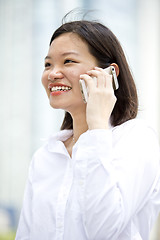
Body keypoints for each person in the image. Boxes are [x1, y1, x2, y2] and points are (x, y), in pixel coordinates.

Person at [15, 17, 160, 240]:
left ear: (109, 73)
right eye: (47, 64)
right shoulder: (45, 156)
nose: (52, 73)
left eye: (68, 61)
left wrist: (97, 128)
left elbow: (104, 230)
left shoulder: (136, 139)